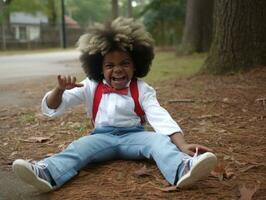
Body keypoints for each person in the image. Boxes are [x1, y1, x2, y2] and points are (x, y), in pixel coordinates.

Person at [12, 17, 217, 193]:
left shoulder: (142, 89)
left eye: (124, 63)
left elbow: (159, 115)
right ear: (99, 68)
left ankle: (182, 168)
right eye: (110, 65)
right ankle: (47, 172)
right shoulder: (90, 85)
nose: (117, 70)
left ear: (136, 64)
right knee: (77, 148)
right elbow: (54, 106)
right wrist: (60, 90)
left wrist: (181, 144)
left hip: (135, 137)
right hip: (101, 137)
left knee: (159, 143)